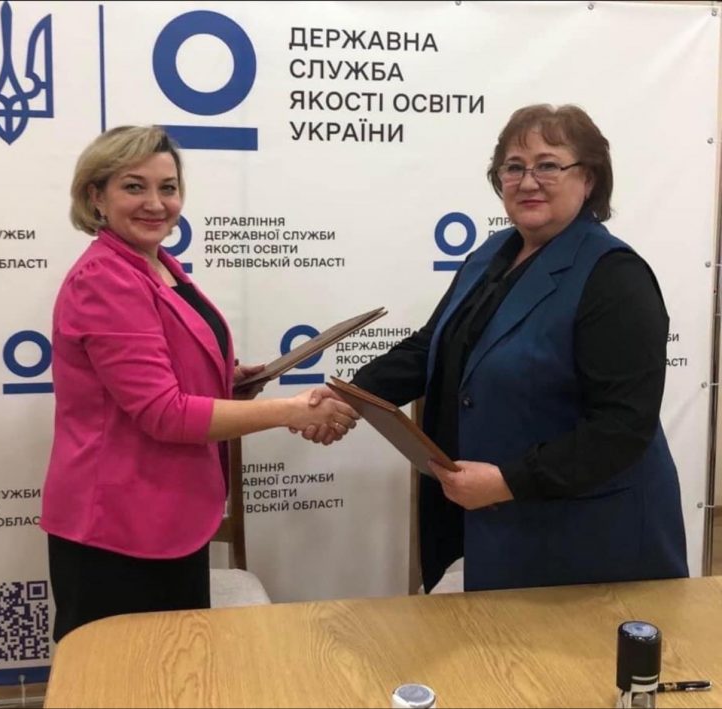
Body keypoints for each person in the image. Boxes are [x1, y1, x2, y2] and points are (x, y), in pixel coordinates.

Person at [306, 103, 689, 593]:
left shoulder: (615, 276)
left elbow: (623, 426)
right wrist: (352, 396)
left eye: (548, 165)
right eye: (514, 167)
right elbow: (432, 347)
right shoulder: (492, 253)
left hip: (591, 538)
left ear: (589, 178)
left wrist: (508, 482)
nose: (528, 182)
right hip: (507, 529)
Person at [40, 125, 359, 642]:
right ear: (96, 196)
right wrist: (291, 411)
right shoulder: (105, 279)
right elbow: (164, 412)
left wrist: (226, 379)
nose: (155, 203)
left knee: (176, 669)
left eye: (168, 187)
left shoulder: (157, 265)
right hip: (117, 529)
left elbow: (155, 369)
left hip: (166, 515)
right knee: (127, 676)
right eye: (134, 186)